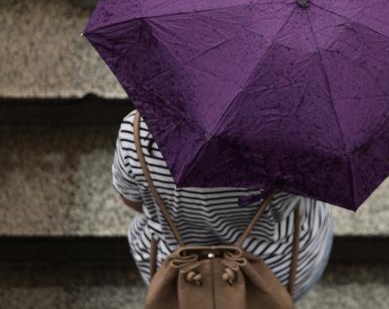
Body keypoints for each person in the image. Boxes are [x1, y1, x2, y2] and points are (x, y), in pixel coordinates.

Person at [112, 109, 334, 303]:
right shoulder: (299, 139)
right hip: (276, 272)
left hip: (177, 272)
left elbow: (132, 200)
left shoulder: (136, 132)